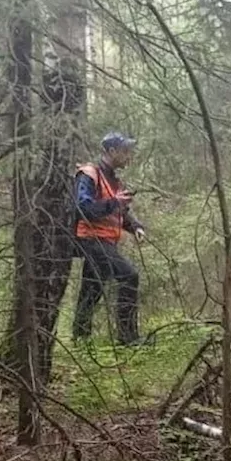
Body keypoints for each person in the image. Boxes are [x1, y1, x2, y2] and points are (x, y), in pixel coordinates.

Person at [72, 132, 148, 346]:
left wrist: (136, 227)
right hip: (90, 239)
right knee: (129, 276)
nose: (128, 156)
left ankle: (80, 337)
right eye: (125, 151)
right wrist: (114, 203)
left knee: (92, 286)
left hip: (104, 241)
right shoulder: (89, 174)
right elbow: (83, 208)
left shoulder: (114, 180)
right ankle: (128, 337)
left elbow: (120, 212)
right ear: (111, 151)